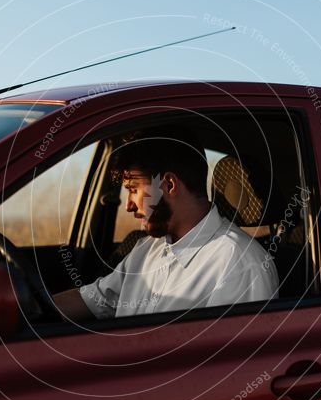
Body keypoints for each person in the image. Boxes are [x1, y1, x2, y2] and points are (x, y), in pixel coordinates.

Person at [52, 133, 279, 320]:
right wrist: (28, 311)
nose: (128, 206)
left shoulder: (240, 265)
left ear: (168, 185)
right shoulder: (145, 249)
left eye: (133, 190)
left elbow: (229, 366)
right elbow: (94, 299)